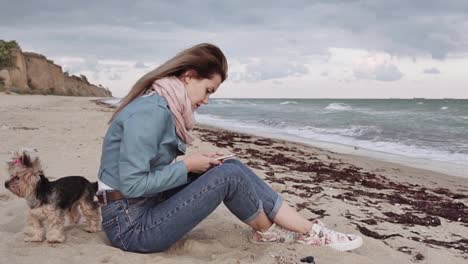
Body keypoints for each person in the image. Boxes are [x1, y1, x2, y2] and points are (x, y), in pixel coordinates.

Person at [97, 43, 363, 253]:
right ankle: (288, 232)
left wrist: (197, 164)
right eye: (208, 90)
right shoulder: (150, 112)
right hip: (130, 227)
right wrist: (188, 165)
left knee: (228, 166)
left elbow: (146, 171)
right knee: (228, 176)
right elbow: (132, 185)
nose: (208, 100)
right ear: (189, 77)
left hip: (143, 205)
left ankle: (300, 230)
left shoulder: (163, 107)